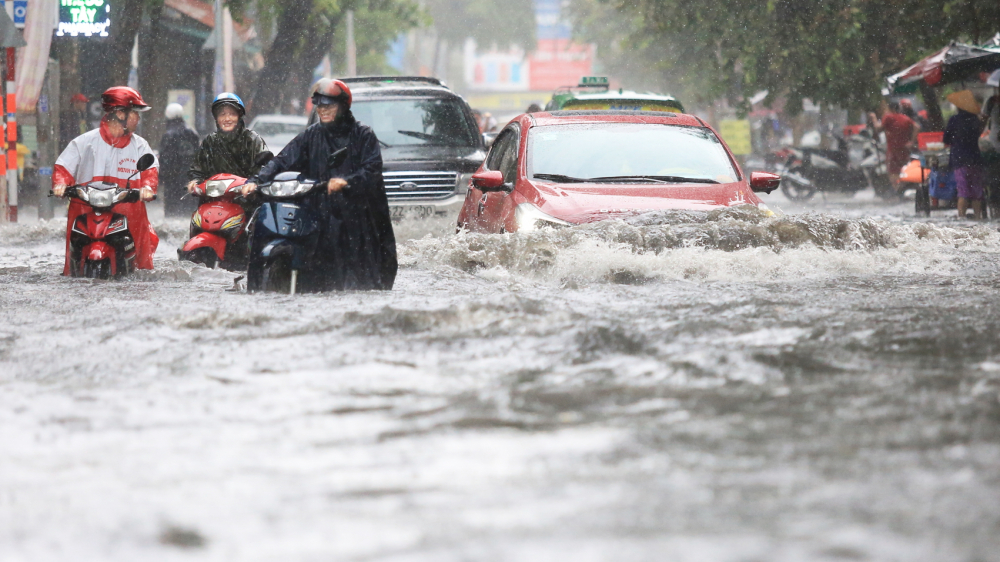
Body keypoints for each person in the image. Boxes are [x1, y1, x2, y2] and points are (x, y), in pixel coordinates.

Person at [242, 78, 396, 291]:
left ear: (343, 106)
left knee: (357, 278)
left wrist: (346, 182)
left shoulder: (363, 135)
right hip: (319, 211)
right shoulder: (311, 135)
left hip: (356, 216)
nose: (323, 111)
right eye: (320, 106)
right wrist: (256, 181)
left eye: (329, 106)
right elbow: (282, 160)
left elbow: (371, 171)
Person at [53, 86, 159, 273]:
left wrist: (148, 188)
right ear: (120, 113)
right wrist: (61, 184)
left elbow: (150, 171)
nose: (138, 118)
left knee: (140, 273)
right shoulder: (84, 142)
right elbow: (63, 167)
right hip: (86, 209)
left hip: (128, 214)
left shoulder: (141, 146)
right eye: (135, 113)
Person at [187, 93, 268, 192]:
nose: (227, 119)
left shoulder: (253, 140)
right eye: (222, 114)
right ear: (216, 118)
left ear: (239, 116)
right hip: (212, 199)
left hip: (246, 199)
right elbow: (197, 169)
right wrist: (195, 181)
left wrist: (253, 183)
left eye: (232, 114)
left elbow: (265, 169)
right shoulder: (210, 141)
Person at [944, 90, 985, 220]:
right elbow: (978, 134)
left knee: (963, 191)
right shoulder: (975, 120)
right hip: (975, 159)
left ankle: (961, 219)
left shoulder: (954, 120)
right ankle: (978, 217)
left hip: (960, 160)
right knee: (977, 191)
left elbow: (946, 140)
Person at [159, 103, 200, 217]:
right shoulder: (193, 133)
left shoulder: (168, 135)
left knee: (172, 212)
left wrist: (161, 176)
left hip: (173, 180)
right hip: (189, 179)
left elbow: (165, 159)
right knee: (189, 211)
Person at [869, 100, 917, 194]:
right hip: (905, 149)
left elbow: (878, 129)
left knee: (893, 172)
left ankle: (898, 190)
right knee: (903, 169)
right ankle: (903, 188)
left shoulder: (888, 117)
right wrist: (911, 141)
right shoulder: (905, 118)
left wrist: (874, 118)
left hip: (893, 150)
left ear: (890, 108)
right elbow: (917, 127)